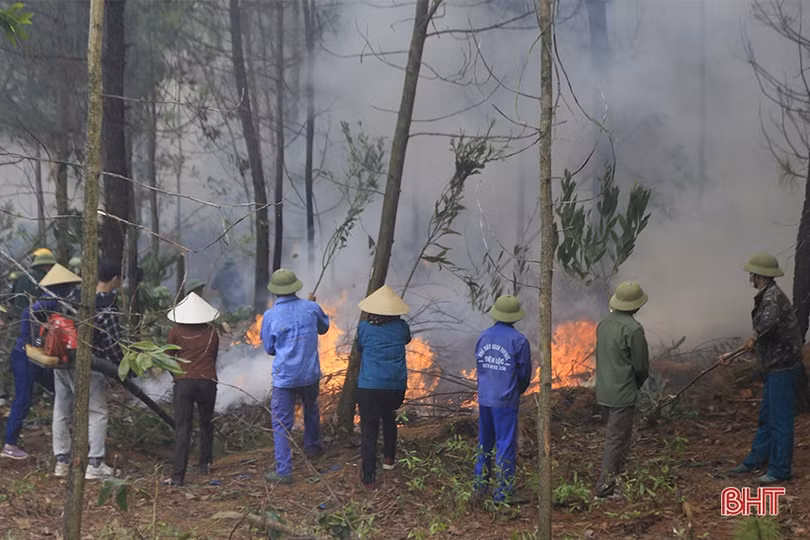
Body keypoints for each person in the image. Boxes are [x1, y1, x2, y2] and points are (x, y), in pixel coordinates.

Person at [721, 253, 802, 484]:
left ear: (759, 275)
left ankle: (779, 470)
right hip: (773, 366)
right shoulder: (767, 295)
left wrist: (753, 339)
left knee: (780, 420)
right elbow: (763, 335)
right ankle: (756, 459)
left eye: (752, 274)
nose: (750, 278)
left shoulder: (772, 298)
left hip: (782, 367)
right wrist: (733, 353)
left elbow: (767, 324)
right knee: (767, 418)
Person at [52, 260, 123, 479]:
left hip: (62, 362)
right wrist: (123, 368)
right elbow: (112, 343)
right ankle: (95, 464)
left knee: (61, 411)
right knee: (97, 413)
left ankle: (61, 462)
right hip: (91, 367)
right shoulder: (108, 307)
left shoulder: (75, 296)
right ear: (114, 280)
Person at [260, 269, 329, 484]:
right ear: (295, 287)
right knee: (311, 408)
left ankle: (284, 471)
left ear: (276, 292)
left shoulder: (271, 316)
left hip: (285, 378)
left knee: (281, 423)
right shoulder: (311, 307)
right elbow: (324, 328)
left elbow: (270, 349)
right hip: (309, 374)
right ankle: (312, 447)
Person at [0, 265, 75, 460]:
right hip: (27, 356)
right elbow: (26, 314)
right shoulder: (50, 301)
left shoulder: (56, 301)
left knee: (59, 390)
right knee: (23, 399)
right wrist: (29, 342)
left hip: (35, 357)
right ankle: (10, 444)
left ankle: (70, 432)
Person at [594, 281, 650, 498]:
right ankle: (605, 488)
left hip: (605, 390)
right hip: (622, 393)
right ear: (635, 306)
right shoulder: (633, 329)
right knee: (616, 439)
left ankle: (618, 478)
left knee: (617, 437)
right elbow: (641, 366)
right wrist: (637, 383)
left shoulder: (603, 323)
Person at [474, 295, 532, 504]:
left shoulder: (484, 336)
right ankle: (503, 493)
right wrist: (518, 390)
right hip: (505, 400)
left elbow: (479, 364)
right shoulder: (519, 341)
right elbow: (524, 373)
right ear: (515, 317)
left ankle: (479, 487)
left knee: (484, 443)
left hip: (485, 398)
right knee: (505, 445)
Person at [355, 285, 411, 487]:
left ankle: (369, 476)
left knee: (369, 429)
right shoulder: (402, 327)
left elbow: (360, 347)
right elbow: (406, 339)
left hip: (369, 387)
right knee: (389, 418)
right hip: (395, 386)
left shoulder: (363, 328)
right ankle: (389, 460)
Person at [163, 292, 220, 486]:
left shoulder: (176, 332)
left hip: (184, 383)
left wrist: (177, 375)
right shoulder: (212, 332)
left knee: (183, 428)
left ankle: (178, 476)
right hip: (207, 381)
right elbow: (213, 357)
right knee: (206, 422)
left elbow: (167, 357)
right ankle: (205, 463)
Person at [9, 251, 55, 318]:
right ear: (47, 265)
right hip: (37, 317)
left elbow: (11, 299)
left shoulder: (21, 277)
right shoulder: (46, 278)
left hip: (18, 317)